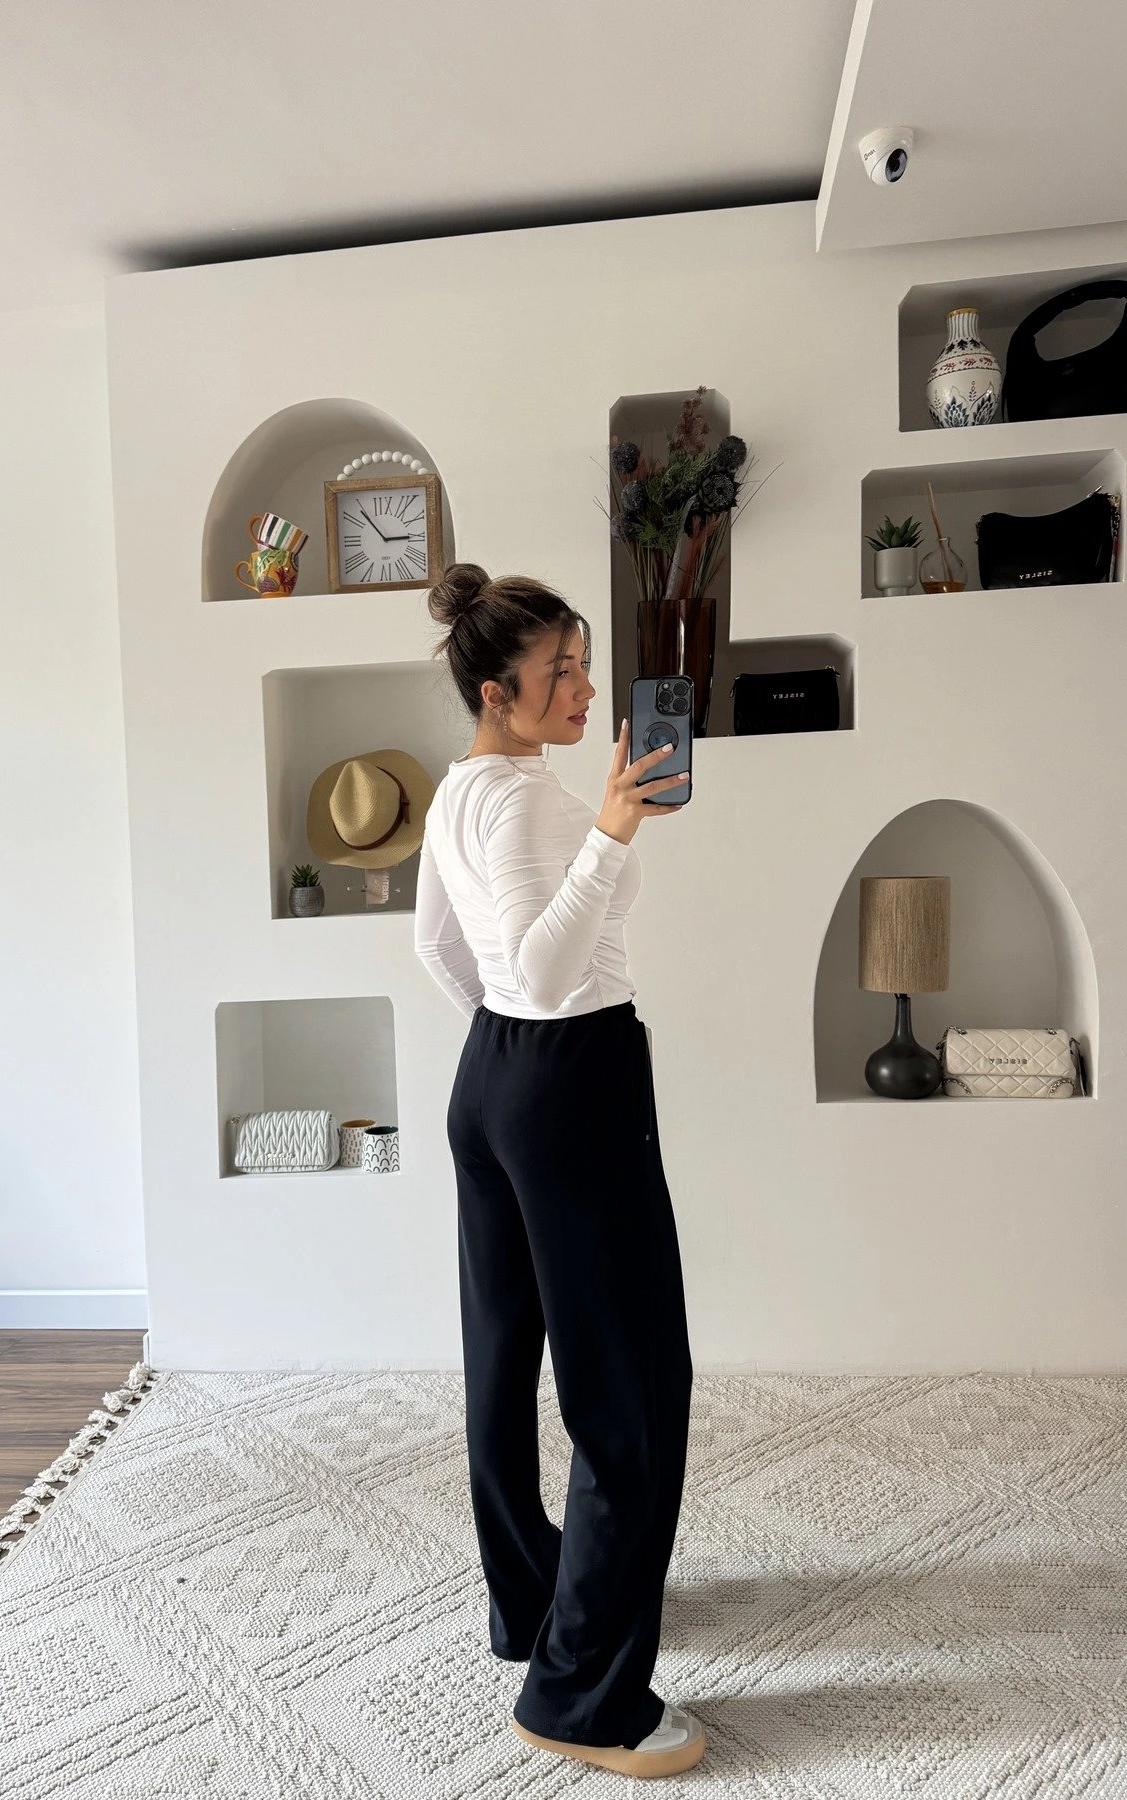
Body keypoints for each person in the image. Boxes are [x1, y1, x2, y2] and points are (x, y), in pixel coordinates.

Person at [413, 561, 704, 1780]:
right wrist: (612, 832)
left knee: (503, 1356)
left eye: (585, 664)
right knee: (631, 1387)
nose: (587, 690)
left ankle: (533, 1602)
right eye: (562, 672)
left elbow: (439, 949)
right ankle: (582, 1697)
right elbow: (539, 971)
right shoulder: (535, 805)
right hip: (571, 1078)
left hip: (492, 1085)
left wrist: (506, 1065)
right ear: (498, 691)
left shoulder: (460, 789)